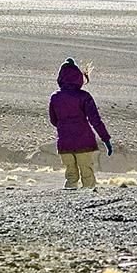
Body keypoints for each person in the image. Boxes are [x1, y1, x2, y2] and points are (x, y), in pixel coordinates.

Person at [49, 57, 112, 189]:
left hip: (64, 142)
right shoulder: (84, 96)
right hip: (84, 141)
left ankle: (70, 200)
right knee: (87, 172)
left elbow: (53, 120)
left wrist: (65, 127)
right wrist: (105, 139)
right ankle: (88, 201)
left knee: (71, 174)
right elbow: (95, 120)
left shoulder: (55, 97)